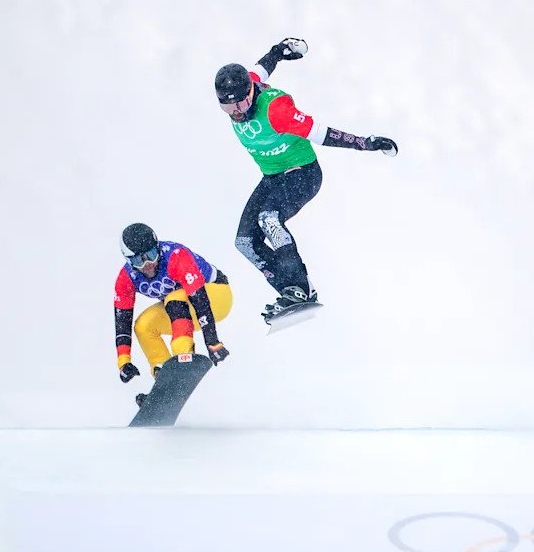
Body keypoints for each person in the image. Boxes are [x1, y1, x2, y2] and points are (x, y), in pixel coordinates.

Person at [213, 38, 398, 320]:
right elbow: (262, 68)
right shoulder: (245, 87)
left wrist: (367, 143)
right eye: (228, 109)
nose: (236, 112)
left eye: (239, 104)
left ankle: (299, 288)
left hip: (304, 174)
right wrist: (278, 52)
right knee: (245, 242)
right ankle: (292, 291)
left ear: (250, 93)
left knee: (269, 219)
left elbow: (324, 134)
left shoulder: (276, 111)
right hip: (273, 177)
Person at [114, 223, 232, 383]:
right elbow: (122, 320)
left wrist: (212, 341)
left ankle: (184, 354)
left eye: (151, 254)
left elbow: (200, 301)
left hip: (216, 296)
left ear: (158, 248)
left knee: (173, 298)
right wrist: (124, 361)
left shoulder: (176, 256)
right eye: (138, 260)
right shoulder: (126, 278)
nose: (147, 264)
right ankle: (164, 374)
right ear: (128, 260)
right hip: (183, 308)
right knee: (143, 326)